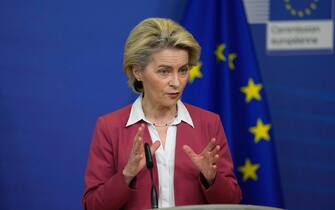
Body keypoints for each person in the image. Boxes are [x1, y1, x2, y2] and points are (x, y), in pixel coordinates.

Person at [82, 17, 241, 210]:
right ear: (137, 72)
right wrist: (126, 175)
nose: (176, 82)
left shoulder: (209, 123)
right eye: (164, 72)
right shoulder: (110, 127)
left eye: (183, 70)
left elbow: (233, 202)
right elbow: (92, 206)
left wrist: (211, 179)